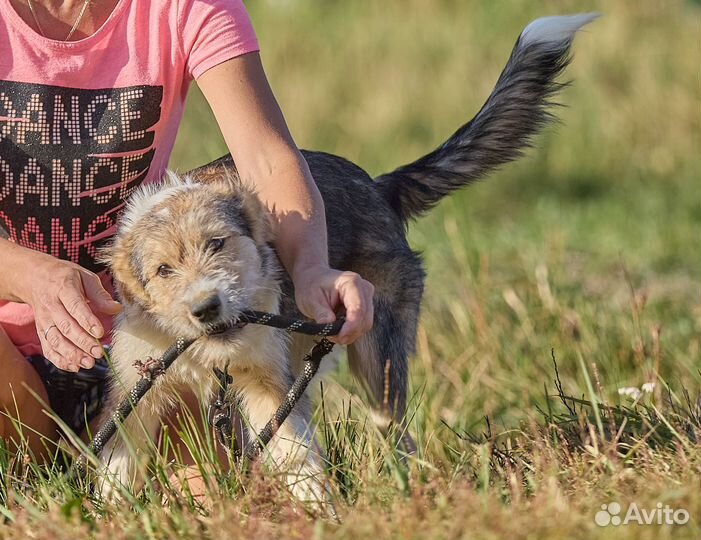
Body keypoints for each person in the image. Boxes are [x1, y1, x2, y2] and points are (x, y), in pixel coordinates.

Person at [0, 0, 374, 462]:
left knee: (201, 498)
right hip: (9, 364)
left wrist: (312, 267)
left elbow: (266, 160)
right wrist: (27, 273)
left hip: (148, 337)